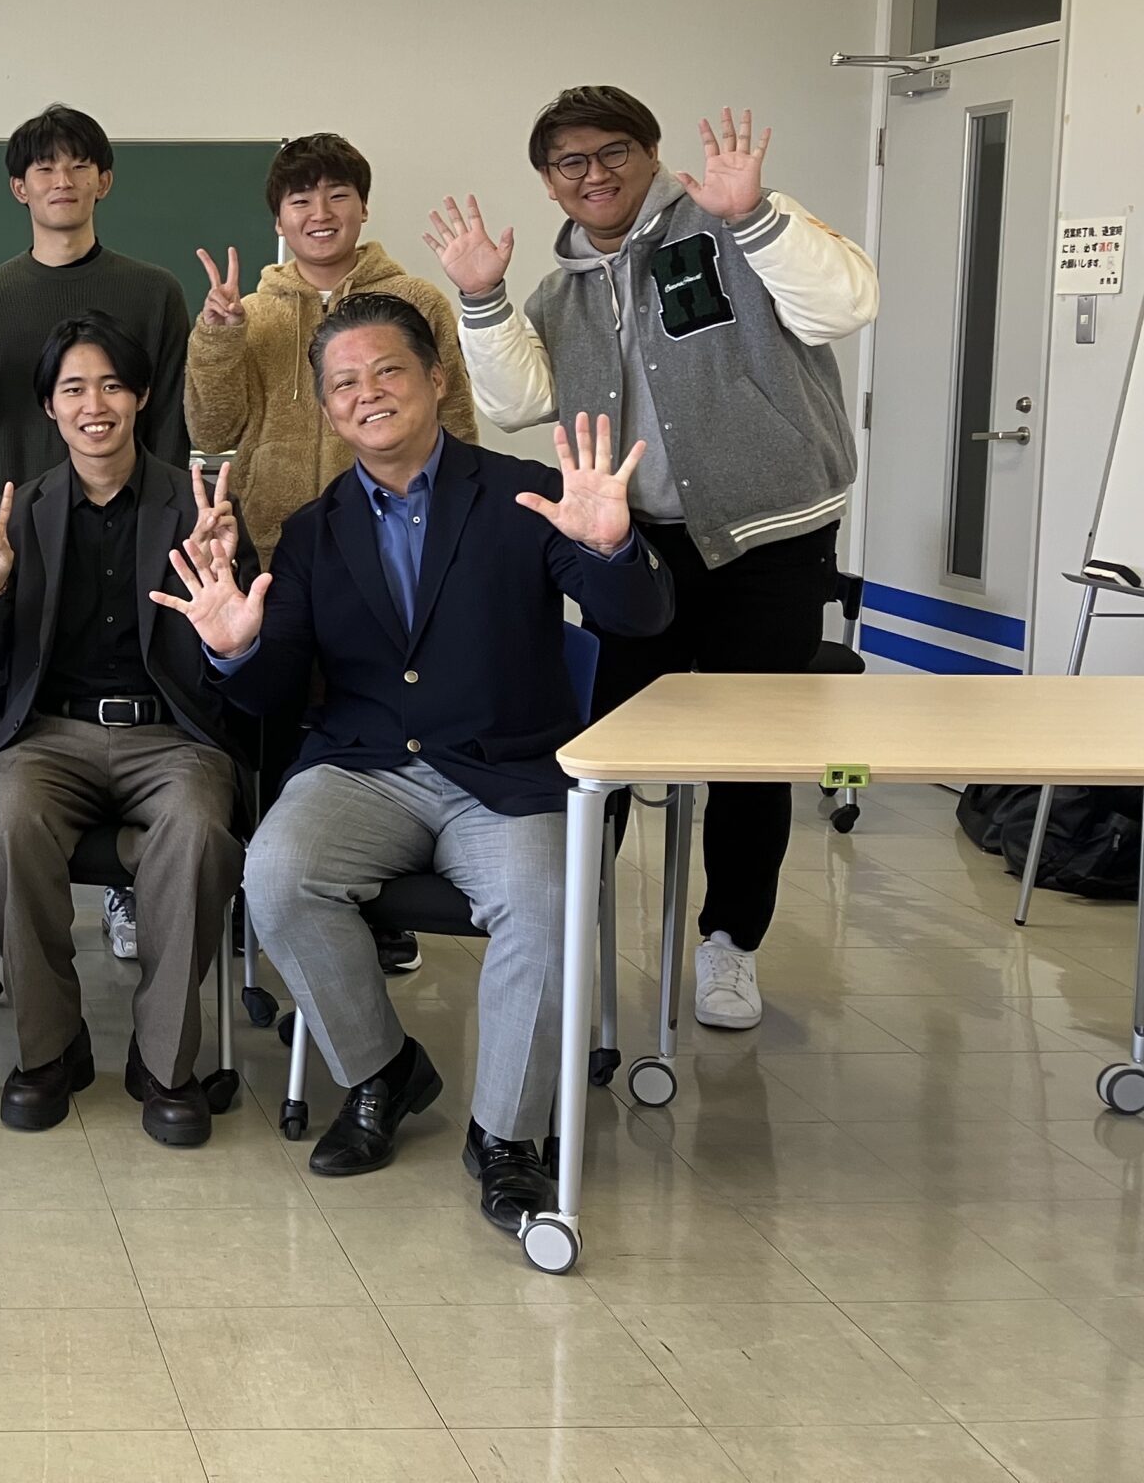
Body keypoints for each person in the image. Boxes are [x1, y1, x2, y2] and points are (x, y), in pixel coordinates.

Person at [164, 294, 673, 1235]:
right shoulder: (312, 531)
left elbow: (638, 620)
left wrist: (612, 549)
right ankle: (383, 1072)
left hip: (504, 774)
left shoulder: (526, 496)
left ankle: (507, 1138)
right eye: (344, 384)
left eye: (388, 370)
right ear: (327, 410)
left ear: (437, 380)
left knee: (547, 902)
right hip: (363, 770)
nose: (368, 394)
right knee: (276, 874)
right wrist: (236, 648)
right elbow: (273, 692)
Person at [426, 92, 877, 1030]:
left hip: (770, 538)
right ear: (549, 182)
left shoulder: (735, 228)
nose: (594, 174)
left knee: (750, 756)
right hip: (638, 549)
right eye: (570, 162)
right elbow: (516, 401)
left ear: (650, 152)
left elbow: (845, 304)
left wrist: (754, 216)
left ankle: (732, 944)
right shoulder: (561, 293)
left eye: (613, 151)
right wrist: (481, 299)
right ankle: (569, 933)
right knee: (603, 749)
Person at [186, 130, 479, 980]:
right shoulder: (253, 311)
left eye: (337, 194)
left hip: (398, 550)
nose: (321, 213)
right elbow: (210, 428)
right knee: (276, 722)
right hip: (279, 550)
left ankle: (382, 909)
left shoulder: (416, 301)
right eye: (301, 199)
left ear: (363, 205)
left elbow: (457, 425)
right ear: (278, 218)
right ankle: (271, 892)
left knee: (381, 719)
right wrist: (218, 339)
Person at [0, 314, 245, 1148]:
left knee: (198, 829)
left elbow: (241, 650)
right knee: (5, 828)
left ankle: (163, 1062)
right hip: (51, 736)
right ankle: (52, 1049)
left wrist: (230, 589)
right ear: (49, 406)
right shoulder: (22, 512)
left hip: (171, 738)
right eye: (74, 388)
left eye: (112, 385)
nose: (95, 406)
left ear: (143, 397)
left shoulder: (197, 506)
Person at [0, 104, 192, 965]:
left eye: (79, 164)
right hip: (29, 546)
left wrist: (167, 527)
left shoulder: (152, 292)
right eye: (43, 167)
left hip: (137, 536)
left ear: (104, 180)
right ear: (19, 188)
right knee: (36, 715)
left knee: (145, 691)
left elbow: (173, 425)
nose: (62, 179)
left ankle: (132, 886)